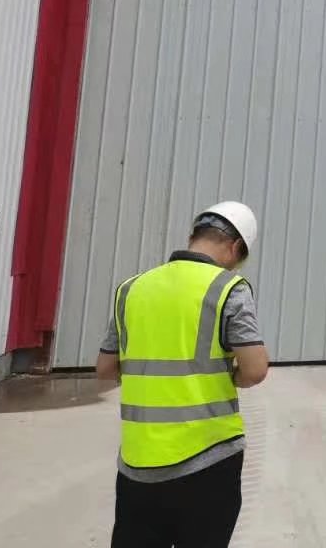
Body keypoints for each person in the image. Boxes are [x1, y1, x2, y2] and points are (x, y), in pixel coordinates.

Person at [96, 202, 269, 548]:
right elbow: (255, 369)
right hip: (208, 461)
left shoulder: (131, 289)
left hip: (137, 464)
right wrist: (228, 376)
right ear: (236, 247)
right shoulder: (228, 288)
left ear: (192, 236)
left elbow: (105, 369)